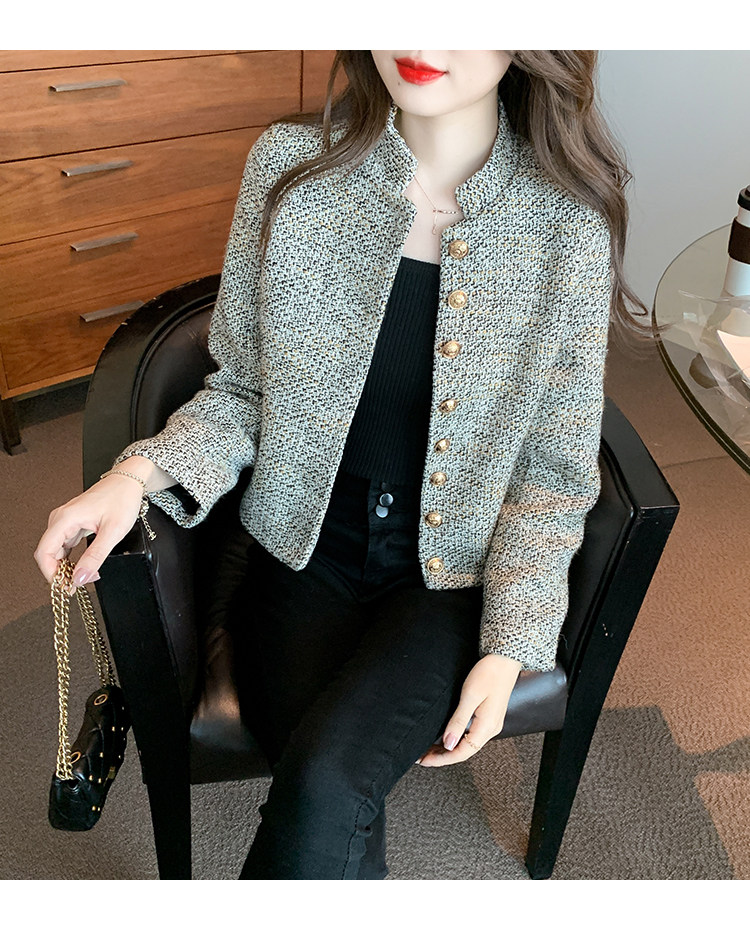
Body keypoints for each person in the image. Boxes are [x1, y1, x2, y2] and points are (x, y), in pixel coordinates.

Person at [34, 50, 649, 879]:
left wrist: (512, 645)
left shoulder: (565, 221)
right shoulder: (293, 168)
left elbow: (553, 477)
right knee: (326, 796)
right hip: (300, 553)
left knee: (324, 787)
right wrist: (133, 477)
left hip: (453, 581)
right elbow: (244, 390)